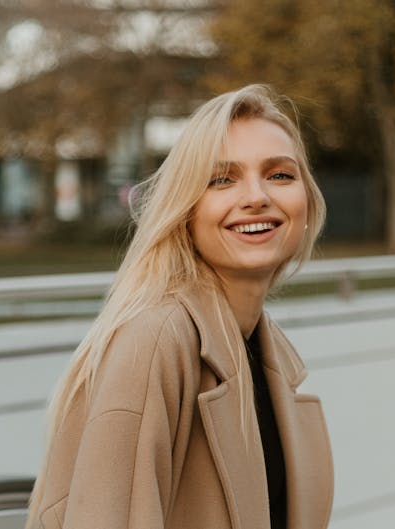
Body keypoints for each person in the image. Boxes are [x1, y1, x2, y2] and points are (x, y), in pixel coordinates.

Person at [25, 85, 334, 529]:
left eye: (280, 175)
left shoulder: (266, 350)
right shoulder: (156, 340)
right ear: (186, 210)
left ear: (306, 203)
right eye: (222, 179)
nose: (256, 197)